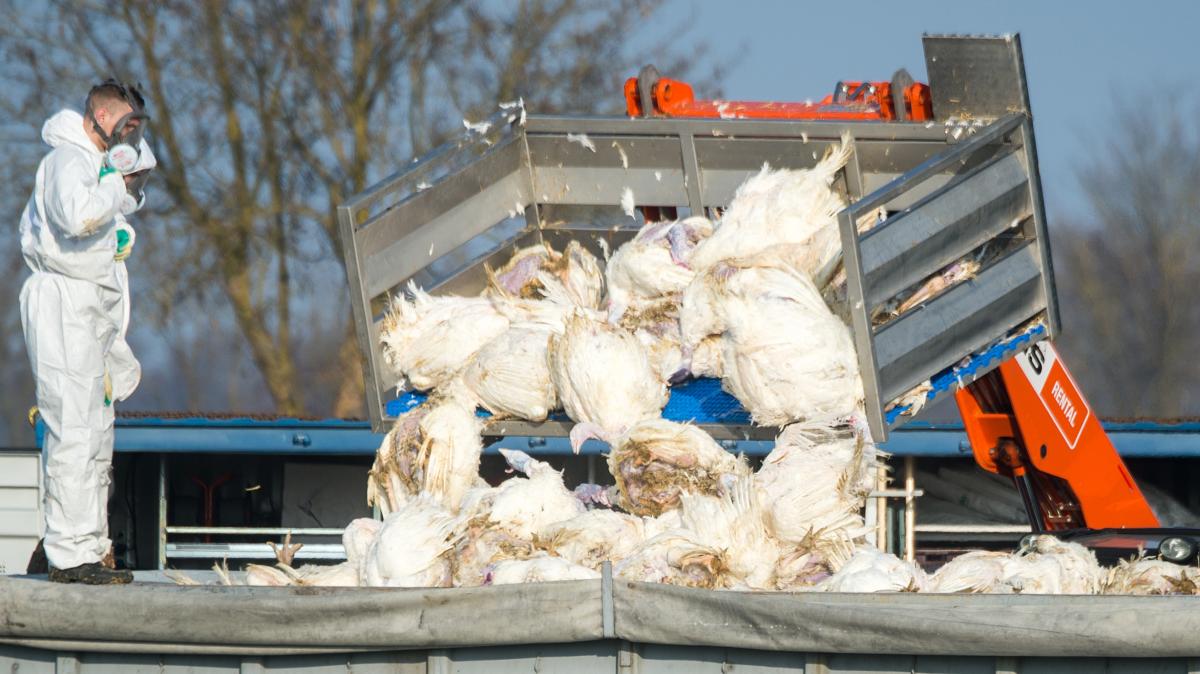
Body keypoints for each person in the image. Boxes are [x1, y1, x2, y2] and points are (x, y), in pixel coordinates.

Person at [19, 79, 155, 584]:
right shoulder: (67, 161)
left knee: (97, 433)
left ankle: (88, 546)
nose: (129, 133)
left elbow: (111, 206)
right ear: (99, 115)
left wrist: (121, 213)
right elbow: (77, 215)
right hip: (63, 304)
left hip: (88, 307)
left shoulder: (93, 164)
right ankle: (68, 554)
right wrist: (118, 187)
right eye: (125, 123)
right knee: (73, 427)